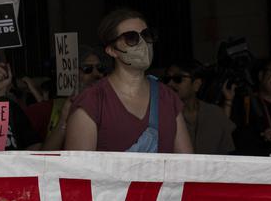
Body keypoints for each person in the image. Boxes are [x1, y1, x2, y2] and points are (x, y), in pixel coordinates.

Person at [65, 8, 192, 153]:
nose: (143, 43)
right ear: (112, 50)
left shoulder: (168, 98)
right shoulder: (93, 101)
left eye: (147, 35)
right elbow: (79, 172)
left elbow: (187, 166)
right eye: (131, 38)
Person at [32, 45, 107, 150]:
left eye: (100, 68)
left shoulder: (110, 104)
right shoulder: (51, 108)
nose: (96, 74)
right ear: (73, 74)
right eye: (87, 69)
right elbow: (47, 154)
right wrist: (64, 119)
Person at [164, 59, 235, 154]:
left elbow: (227, 153)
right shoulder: (163, 115)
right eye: (167, 79)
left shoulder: (215, 113)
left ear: (196, 84)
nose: (170, 84)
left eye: (178, 79)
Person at [229, 56, 271, 156]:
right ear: (261, 75)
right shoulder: (243, 101)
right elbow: (231, 135)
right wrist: (259, 136)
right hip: (248, 164)